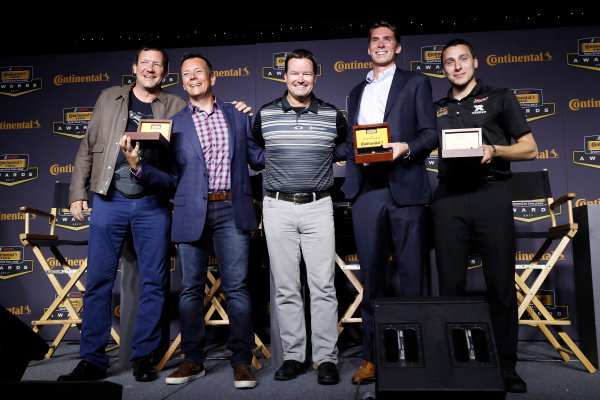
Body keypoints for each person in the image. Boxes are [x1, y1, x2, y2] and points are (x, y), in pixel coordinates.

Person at [59, 47, 187, 382]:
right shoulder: (109, 97)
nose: (150, 69)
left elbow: (185, 153)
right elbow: (87, 146)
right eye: (145, 63)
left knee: (155, 282)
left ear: (165, 72)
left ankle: (144, 356)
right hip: (109, 200)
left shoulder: (177, 105)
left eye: (157, 64)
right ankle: (92, 360)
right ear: (134, 68)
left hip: (153, 203)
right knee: (99, 280)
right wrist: (77, 193)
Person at [432, 38, 537, 393]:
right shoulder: (436, 107)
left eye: (463, 59)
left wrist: (494, 149)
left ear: (475, 62)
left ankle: (506, 366)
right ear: (442, 68)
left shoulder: (501, 97)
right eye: (449, 62)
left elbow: (530, 148)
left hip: (491, 191)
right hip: (448, 198)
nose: (457, 66)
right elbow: (415, 144)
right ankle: (458, 364)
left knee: (500, 286)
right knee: (450, 287)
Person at [341, 21, 438, 384]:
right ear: (368, 49)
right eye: (374, 40)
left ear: (398, 48)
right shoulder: (355, 92)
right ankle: (372, 358)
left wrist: (406, 147)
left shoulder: (416, 82)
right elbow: (352, 144)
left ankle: (418, 357)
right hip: (366, 191)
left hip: (406, 187)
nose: (380, 44)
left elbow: (430, 134)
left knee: (414, 276)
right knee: (373, 280)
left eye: (387, 40)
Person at [163, 53, 264, 390]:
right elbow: (166, 175)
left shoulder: (237, 115)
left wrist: (291, 145)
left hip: (231, 209)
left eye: (199, 72)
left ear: (213, 77)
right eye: (186, 73)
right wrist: (136, 166)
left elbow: (256, 157)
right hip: (191, 211)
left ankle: (241, 361)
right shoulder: (174, 123)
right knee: (191, 290)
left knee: (237, 288)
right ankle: (192, 359)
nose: (193, 77)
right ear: (182, 81)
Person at [252, 49, 349, 385]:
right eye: (295, 73)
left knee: (323, 286)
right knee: (286, 287)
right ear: (285, 76)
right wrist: (271, 159)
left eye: (307, 73)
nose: (300, 79)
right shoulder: (264, 114)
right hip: (277, 206)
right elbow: (250, 148)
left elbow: (346, 145)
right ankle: (294, 356)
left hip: (319, 206)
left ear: (315, 77)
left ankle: (325, 359)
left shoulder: (332, 114)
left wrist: (324, 155)